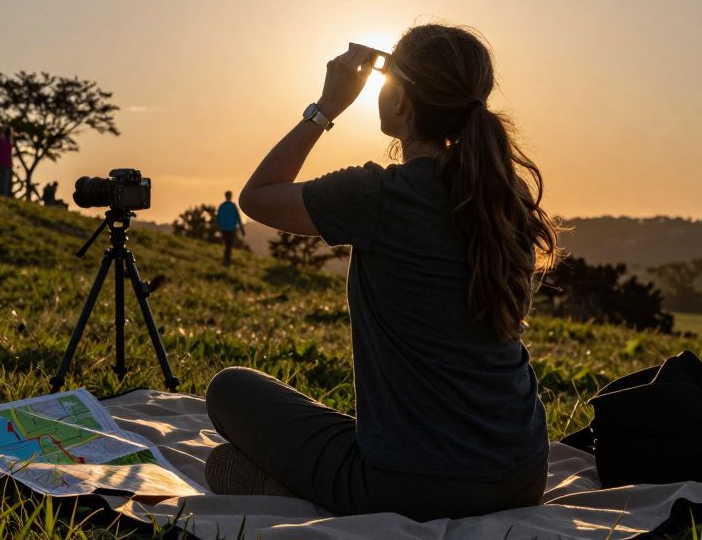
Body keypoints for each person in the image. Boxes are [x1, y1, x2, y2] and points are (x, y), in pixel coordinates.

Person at [206, 26, 560, 521]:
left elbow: (257, 196)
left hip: (418, 488)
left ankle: (295, 494)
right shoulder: (506, 196)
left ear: (404, 105)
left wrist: (326, 107)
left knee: (230, 389)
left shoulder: (379, 195)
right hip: (523, 475)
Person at [216, 191, 246, 266]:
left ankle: (226, 260)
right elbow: (238, 217)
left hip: (224, 229)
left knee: (227, 244)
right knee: (229, 245)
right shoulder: (233, 206)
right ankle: (227, 261)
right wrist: (242, 229)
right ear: (229, 196)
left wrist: (219, 227)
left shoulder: (222, 206)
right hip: (231, 229)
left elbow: (218, 218)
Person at [0, 127, 14, 196]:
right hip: (7, 164)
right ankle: (4, 195)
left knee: (1, 180)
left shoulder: (0, 140)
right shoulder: (9, 142)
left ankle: (0, 194)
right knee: (6, 181)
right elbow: (9, 154)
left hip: (0, 162)